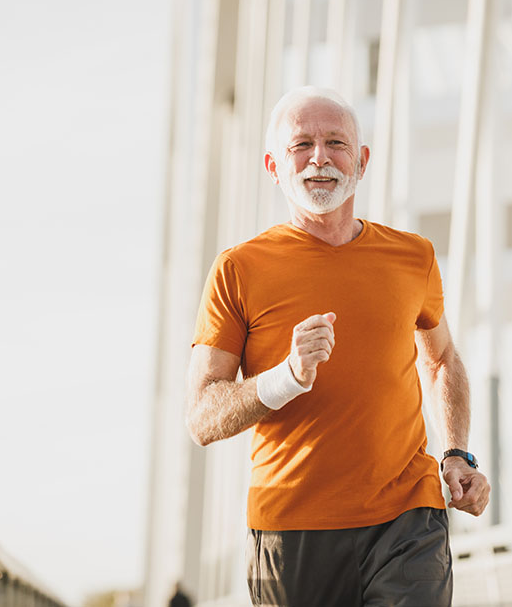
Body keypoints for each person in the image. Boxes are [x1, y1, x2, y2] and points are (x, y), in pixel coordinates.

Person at [185, 86, 490, 606]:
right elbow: (202, 417)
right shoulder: (238, 270)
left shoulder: (413, 256)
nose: (320, 158)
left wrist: (456, 454)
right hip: (291, 525)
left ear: (362, 161)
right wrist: (286, 377)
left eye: (336, 143)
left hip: (407, 519)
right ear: (273, 166)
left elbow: (441, 359)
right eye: (301, 145)